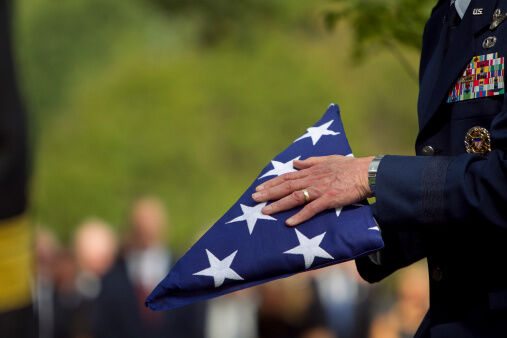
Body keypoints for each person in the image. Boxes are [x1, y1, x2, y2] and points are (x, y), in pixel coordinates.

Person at [251, 0, 507, 335]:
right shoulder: (443, 19)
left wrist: (372, 174)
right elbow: (449, 188)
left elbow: (500, 184)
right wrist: (344, 226)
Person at [95, 196, 206, 338]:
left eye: (152, 220)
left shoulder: (185, 273)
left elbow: (195, 325)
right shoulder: (113, 276)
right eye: (141, 222)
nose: (146, 227)